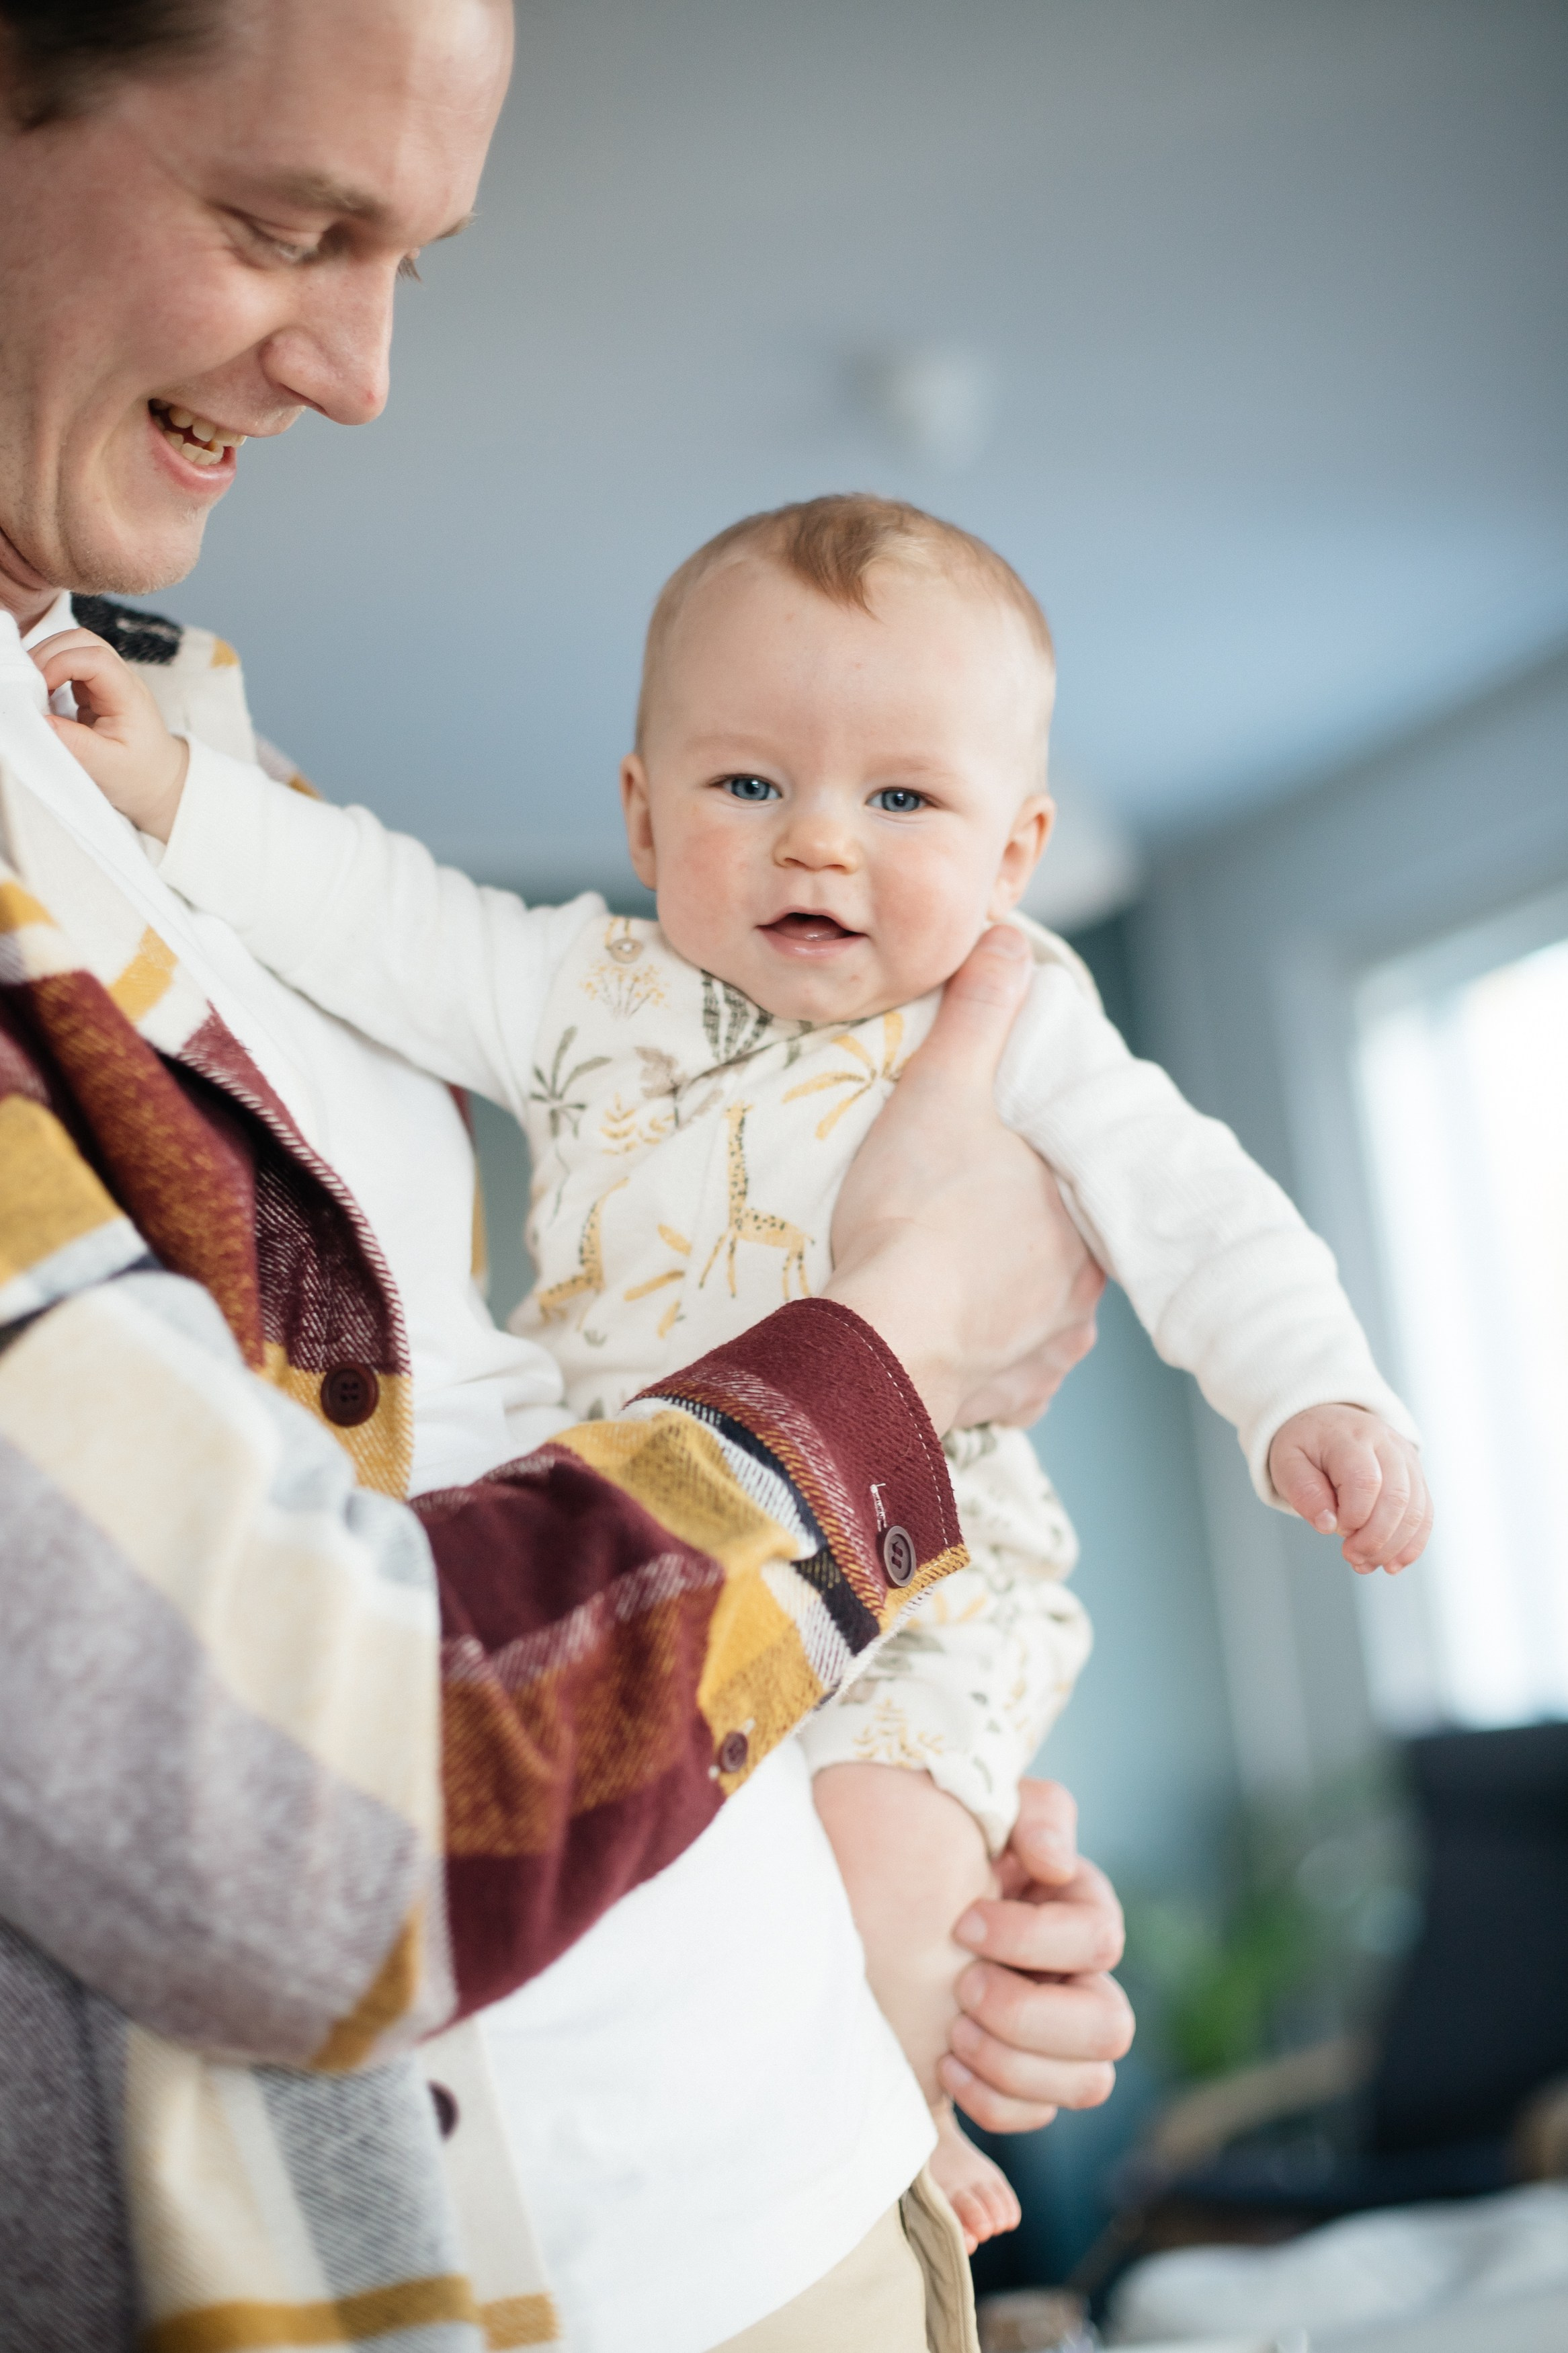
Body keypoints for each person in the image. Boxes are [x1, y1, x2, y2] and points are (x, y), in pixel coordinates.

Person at [0, 8, 1133, 2352]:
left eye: (413, 256)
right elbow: (301, 1830)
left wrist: (895, 1847)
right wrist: (886, 1368)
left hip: (828, 2172)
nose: (365, 366)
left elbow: (474, 1471)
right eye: (284, 224)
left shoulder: (131, 748)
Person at [40, 489, 1434, 2292]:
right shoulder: (580, 987)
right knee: (728, 1823)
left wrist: (1314, 1394)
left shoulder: (1012, 1026)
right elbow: (380, 910)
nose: (821, 851)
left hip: (922, 1568)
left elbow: (1196, 1206)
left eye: (901, 800)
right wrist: (174, 801)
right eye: (750, 787)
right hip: (656, 1548)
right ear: (640, 809)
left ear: (1016, 850)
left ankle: (901, 2108)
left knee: (880, 1822)